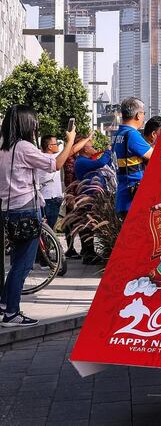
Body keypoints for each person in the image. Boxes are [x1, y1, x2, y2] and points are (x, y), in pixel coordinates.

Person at [0, 106, 75, 327]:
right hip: (25, 209)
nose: (35, 126)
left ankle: (5, 303)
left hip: (9, 209)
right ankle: (12, 314)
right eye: (33, 122)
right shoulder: (23, 147)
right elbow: (56, 164)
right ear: (25, 124)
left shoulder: (4, 147)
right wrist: (69, 140)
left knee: (16, 259)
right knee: (22, 265)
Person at [112, 97, 153, 217]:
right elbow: (156, 157)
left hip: (124, 194)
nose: (143, 117)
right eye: (143, 113)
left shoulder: (119, 134)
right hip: (134, 196)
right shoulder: (132, 135)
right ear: (138, 115)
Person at [73, 140, 113, 264]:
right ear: (85, 149)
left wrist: (108, 156)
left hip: (95, 196)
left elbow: (106, 163)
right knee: (87, 226)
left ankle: (91, 253)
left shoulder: (88, 160)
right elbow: (101, 162)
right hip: (88, 197)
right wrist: (108, 150)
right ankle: (88, 254)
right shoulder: (81, 161)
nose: (94, 148)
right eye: (92, 146)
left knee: (92, 225)